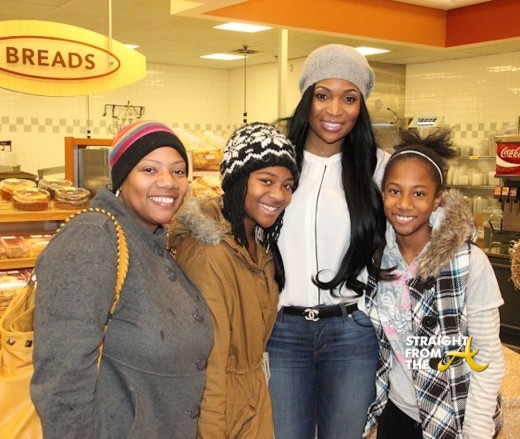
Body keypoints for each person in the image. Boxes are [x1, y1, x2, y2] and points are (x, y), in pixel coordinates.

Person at [31, 120, 213, 439]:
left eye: (179, 171)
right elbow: (62, 382)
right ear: (122, 177)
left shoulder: (150, 239)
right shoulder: (94, 238)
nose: (168, 182)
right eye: (149, 170)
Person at [267, 44, 390, 439]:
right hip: (282, 332)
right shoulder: (275, 164)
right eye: (323, 95)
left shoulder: (379, 168)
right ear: (307, 99)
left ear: (361, 106)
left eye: (349, 98)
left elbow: (427, 217)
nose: (335, 110)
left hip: (352, 333)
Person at [363, 129, 504, 439]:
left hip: (457, 418)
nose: (404, 204)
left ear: (437, 198)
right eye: (394, 191)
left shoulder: (468, 263)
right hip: (397, 417)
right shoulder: (375, 261)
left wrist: (476, 433)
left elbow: (488, 358)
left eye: (419, 193)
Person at [169, 122, 299, 438]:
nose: (278, 195)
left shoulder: (257, 243)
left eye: (287, 185)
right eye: (266, 181)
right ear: (239, 180)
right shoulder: (210, 255)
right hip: (222, 412)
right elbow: (209, 364)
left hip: (251, 403)